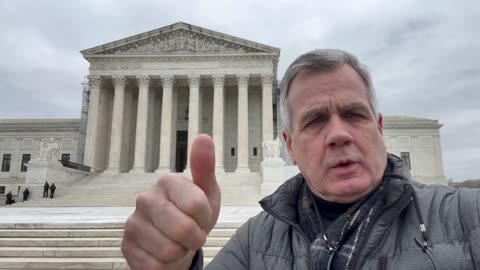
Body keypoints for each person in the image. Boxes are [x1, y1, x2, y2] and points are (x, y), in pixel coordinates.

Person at [121, 49, 480, 270]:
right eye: (316, 120)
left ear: (379, 128)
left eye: (355, 114)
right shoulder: (253, 243)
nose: (339, 134)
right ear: (290, 146)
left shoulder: (467, 218)